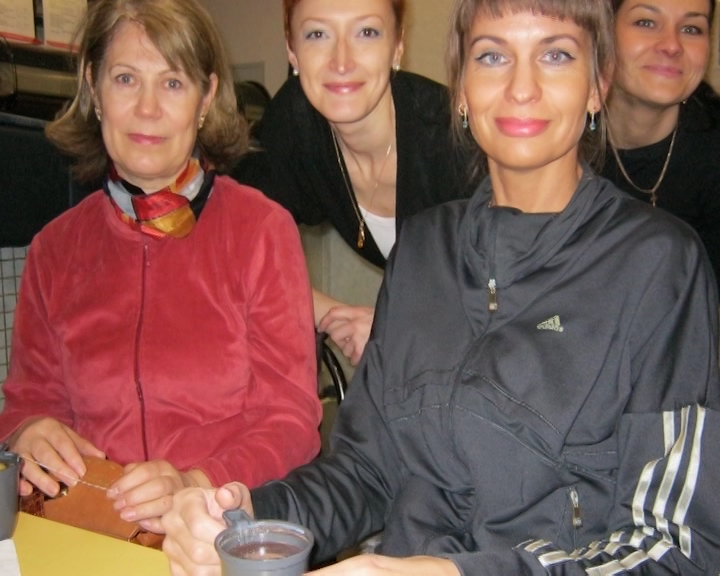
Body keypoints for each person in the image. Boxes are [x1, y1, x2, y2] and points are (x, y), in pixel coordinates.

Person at [162, 0, 720, 573]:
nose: (521, 87)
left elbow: (679, 550)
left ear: (598, 84)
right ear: (461, 90)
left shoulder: (657, 266)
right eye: (493, 57)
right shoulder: (423, 250)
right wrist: (244, 518)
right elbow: (365, 472)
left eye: (555, 55)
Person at [0, 0, 322, 534]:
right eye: (126, 79)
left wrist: (195, 482)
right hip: (88, 533)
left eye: (172, 83)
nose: (147, 108)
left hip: (216, 531)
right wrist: (28, 430)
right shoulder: (53, 249)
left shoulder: (261, 231)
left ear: (206, 97)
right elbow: (27, 402)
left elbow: (291, 421)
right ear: (94, 88)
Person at [231, 0, 471, 365]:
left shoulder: (454, 138)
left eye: (366, 32)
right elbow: (234, 248)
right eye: (317, 34)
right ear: (292, 50)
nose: (341, 62)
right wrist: (333, 316)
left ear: (398, 45)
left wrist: (396, 330)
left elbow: (516, 296)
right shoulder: (295, 123)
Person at [602, 0, 720, 287]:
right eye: (646, 22)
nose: (671, 45)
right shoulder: (554, 141)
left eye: (691, 28)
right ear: (604, 31)